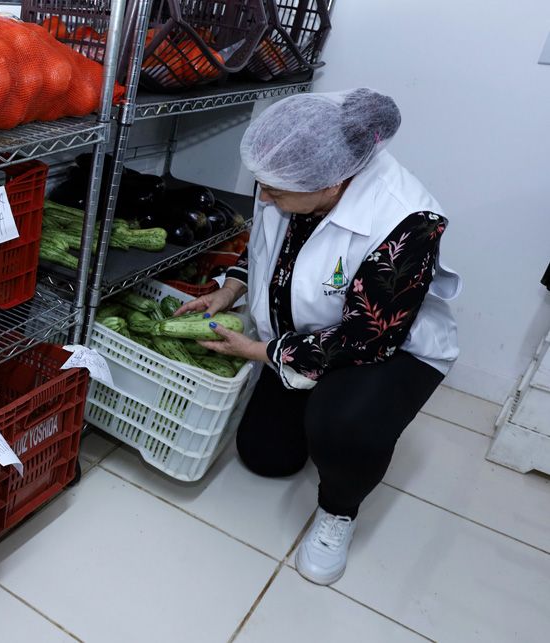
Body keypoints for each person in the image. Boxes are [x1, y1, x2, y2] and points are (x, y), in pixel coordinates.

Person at [174, 88, 461, 585]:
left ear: (334, 183)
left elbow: (368, 337)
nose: (263, 197)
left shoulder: (407, 220)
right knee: (266, 457)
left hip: (391, 349)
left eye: (276, 191)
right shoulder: (291, 180)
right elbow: (263, 246)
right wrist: (232, 288)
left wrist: (261, 352)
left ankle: (339, 511)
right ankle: (312, 397)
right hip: (304, 336)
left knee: (344, 428)